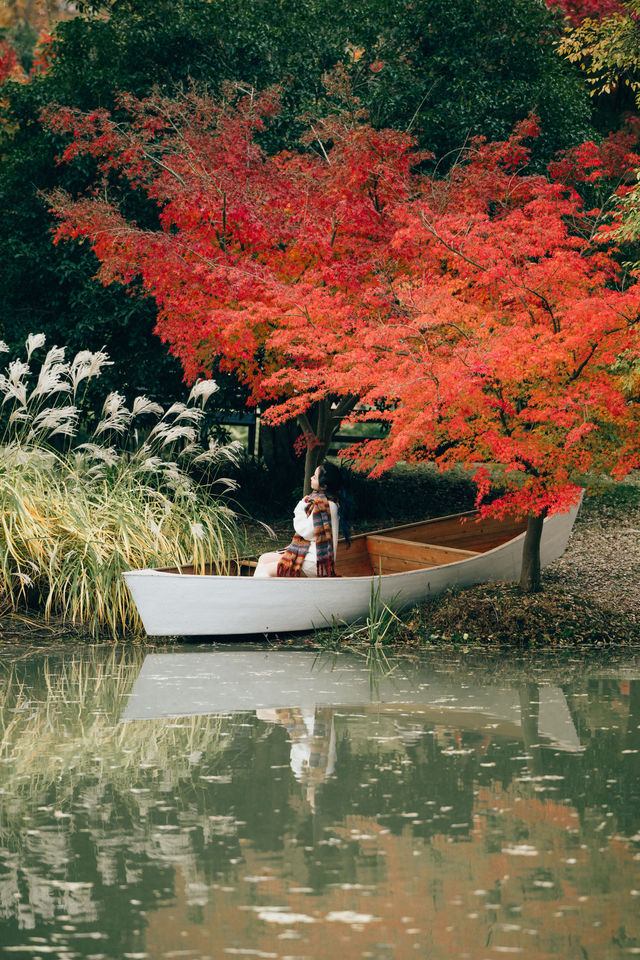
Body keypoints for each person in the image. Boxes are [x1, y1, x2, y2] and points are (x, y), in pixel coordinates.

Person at [253, 461, 350, 578]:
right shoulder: (322, 501)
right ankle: (260, 592)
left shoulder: (324, 505)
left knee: (266, 570)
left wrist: (300, 507)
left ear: (324, 486)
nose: (311, 478)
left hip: (315, 562)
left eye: (314, 477)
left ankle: (259, 594)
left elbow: (306, 533)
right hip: (309, 556)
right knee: (264, 558)